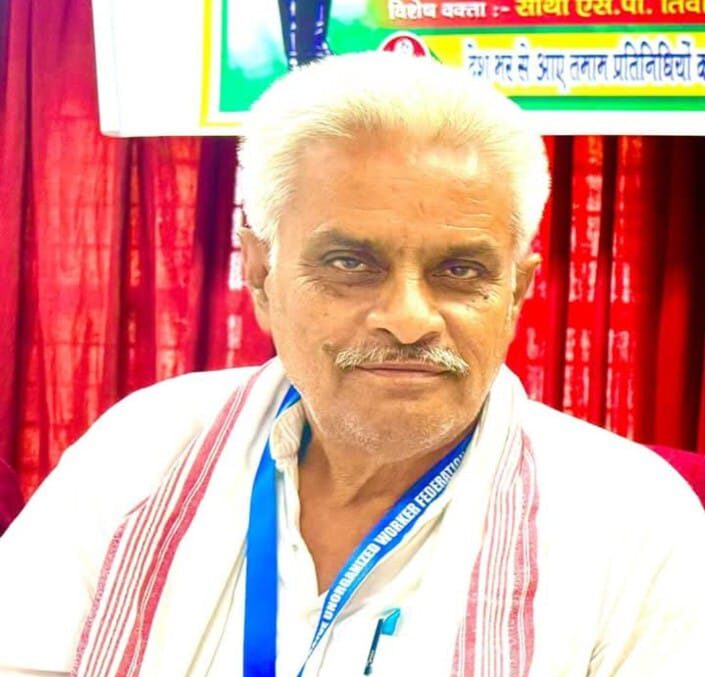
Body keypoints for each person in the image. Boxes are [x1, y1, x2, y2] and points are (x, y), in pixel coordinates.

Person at [1, 52, 704, 677]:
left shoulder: (632, 521)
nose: (409, 318)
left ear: (516, 293)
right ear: (260, 274)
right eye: (349, 263)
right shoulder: (146, 447)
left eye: (460, 270)